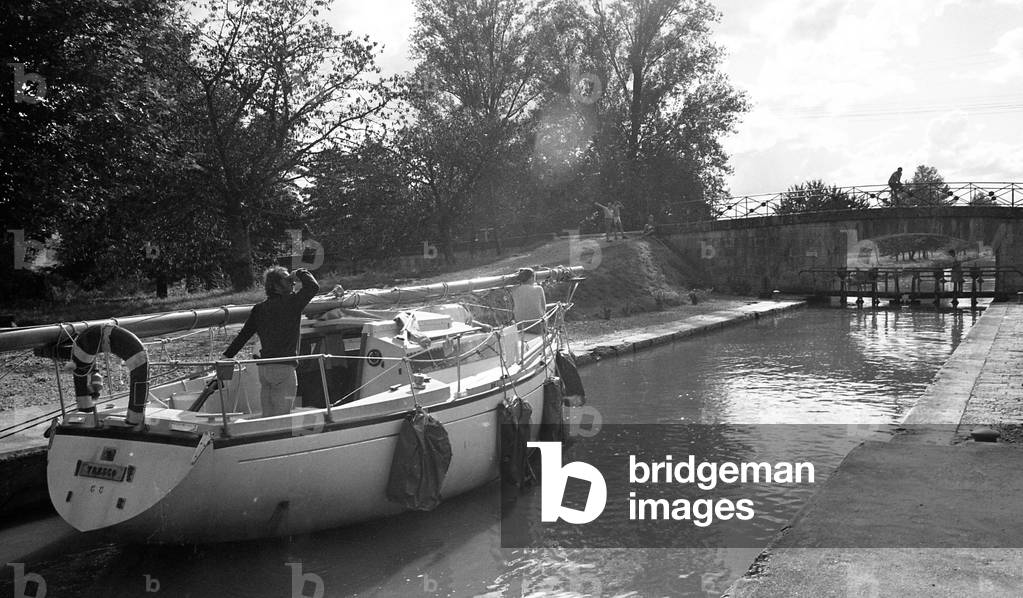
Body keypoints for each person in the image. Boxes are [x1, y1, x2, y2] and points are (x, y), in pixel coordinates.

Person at [222, 266, 320, 416]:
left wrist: (227, 356)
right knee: (282, 417)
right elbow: (313, 286)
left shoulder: (259, 309)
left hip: (265, 369)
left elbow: (244, 335)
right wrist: (299, 273)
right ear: (276, 285)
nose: (293, 283)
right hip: (283, 369)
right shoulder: (292, 303)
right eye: (288, 281)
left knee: (268, 416)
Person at [509, 267, 547, 333]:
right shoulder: (539, 289)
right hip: (537, 326)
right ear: (532, 277)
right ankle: (546, 331)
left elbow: (513, 306)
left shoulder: (514, 290)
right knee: (545, 315)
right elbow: (544, 308)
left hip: (520, 326)